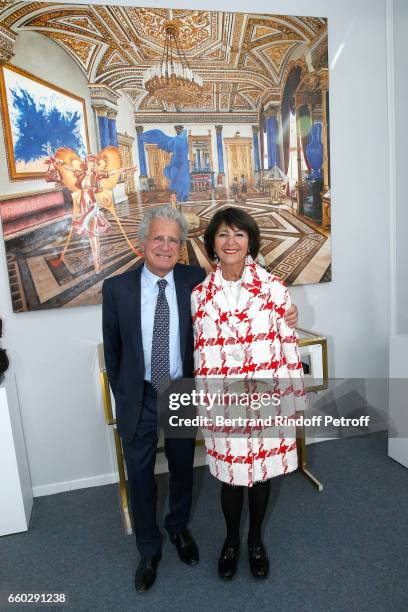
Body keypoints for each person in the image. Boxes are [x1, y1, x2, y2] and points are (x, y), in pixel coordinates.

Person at [102, 205, 299, 593]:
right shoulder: (118, 288)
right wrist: (124, 393)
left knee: (180, 469)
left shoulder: (191, 281)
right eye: (158, 238)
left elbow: (260, 308)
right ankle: (148, 549)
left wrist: (289, 313)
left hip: (180, 390)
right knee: (141, 475)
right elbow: (114, 349)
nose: (165, 246)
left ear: (183, 247)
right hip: (139, 393)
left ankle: (178, 530)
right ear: (143, 243)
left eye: (173, 240)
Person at [191, 207, 307, 581]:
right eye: (223, 234)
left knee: (259, 475)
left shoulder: (274, 288)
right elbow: (198, 351)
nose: (231, 242)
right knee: (229, 475)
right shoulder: (198, 296)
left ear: (250, 242)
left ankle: (255, 540)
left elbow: (288, 344)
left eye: (239, 234)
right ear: (212, 243)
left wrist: (293, 399)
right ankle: (230, 540)